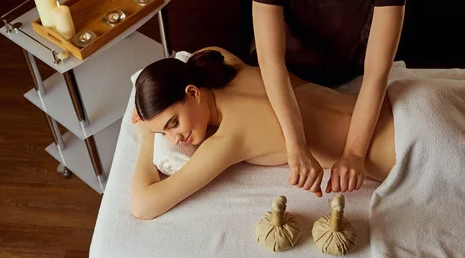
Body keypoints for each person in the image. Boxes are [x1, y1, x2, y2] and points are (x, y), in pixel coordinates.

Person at [251, 0, 409, 197]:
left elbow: (378, 71)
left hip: (353, 73)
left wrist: (353, 154)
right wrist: (295, 145)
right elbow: (270, 61)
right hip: (287, 79)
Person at [131, 48, 395, 220]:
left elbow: (144, 206)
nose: (175, 139)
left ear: (193, 92)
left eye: (173, 124)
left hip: (400, 152)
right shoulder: (231, 66)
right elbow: (189, 58)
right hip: (395, 106)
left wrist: (145, 138)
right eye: (162, 134)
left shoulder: (229, 140)